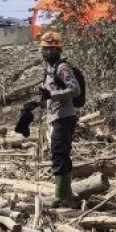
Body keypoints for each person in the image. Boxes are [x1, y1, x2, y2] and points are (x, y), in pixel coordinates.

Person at [38, 30, 81, 207]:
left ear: (59, 50)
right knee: (61, 154)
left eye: (52, 49)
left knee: (59, 155)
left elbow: (75, 89)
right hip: (55, 117)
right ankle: (66, 195)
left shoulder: (62, 68)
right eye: (46, 49)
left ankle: (61, 197)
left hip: (64, 117)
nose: (48, 52)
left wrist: (53, 95)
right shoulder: (49, 70)